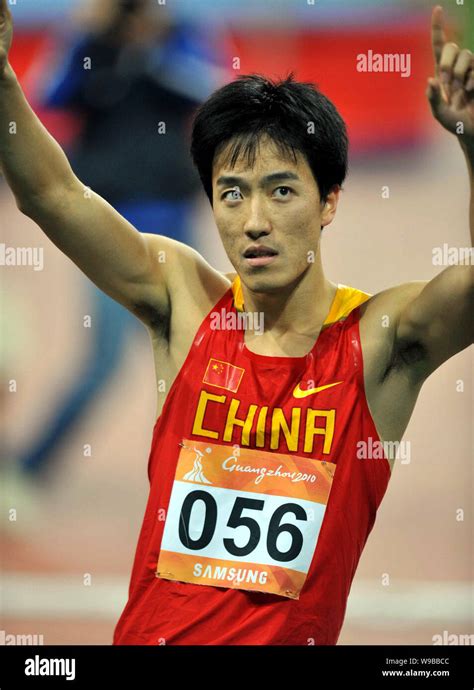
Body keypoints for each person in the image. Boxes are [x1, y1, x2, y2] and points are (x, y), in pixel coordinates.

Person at [0, 1, 472, 645]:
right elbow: (51, 194)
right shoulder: (182, 299)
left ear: (329, 200)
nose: (253, 221)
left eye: (281, 191)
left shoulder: (381, 340)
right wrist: (2, 78)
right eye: (231, 193)